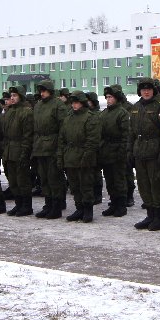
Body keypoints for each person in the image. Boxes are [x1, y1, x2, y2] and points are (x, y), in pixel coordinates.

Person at [130, 78, 160, 231]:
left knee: (157, 184)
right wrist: (129, 151)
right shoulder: (136, 107)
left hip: (155, 150)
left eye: (149, 89)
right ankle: (150, 215)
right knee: (143, 185)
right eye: (143, 89)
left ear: (153, 90)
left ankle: (159, 218)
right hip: (140, 151)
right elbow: (131, 132)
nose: (146, 92)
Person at [59, 91, 101, 222]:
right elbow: (62, 139)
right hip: (70, 156)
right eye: (72, 102)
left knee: (86, 184)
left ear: (82, 103)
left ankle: (88, 210)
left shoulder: (90, 117)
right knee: (74, 185)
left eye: (76, 102)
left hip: (84, 155)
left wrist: (86, 157)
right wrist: (61, 156)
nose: (74, 105)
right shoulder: (68, 118)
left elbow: (92, 140)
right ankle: (79, 208)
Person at [32, 80, 68, 219]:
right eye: (40, 91)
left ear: (50, 91)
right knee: (44, 177)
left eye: (44, 90)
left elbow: (63, 128)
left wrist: (60, 147)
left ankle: (57, 206)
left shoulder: (58, 105)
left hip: (53, 145)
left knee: (54, 178)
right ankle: (48, 204)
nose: (42, 93)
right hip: (40, 145)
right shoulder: (38, 105)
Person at [2, 85, 35, 216]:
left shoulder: (26, 112)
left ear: (21, 96)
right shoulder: (10, 112)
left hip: (20, 149)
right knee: (13, 180)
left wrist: (25, 153)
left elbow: (28, 135)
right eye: (11, 96)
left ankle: (26, 206)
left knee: (23, 180)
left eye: (15, 95)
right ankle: (18, 204)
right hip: (9, 151)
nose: (12, 98)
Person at [99, 85, 131, 217]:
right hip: (106, 150)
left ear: (116, 98)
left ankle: (121, 205)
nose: (108, 99)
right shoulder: (104, 113)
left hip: (117, 150)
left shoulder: (122, 113)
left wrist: (122, 152)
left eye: (110, 97)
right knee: (109, 180)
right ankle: (113, 203)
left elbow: (126, 134)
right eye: (107, 97)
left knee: (119, 180)